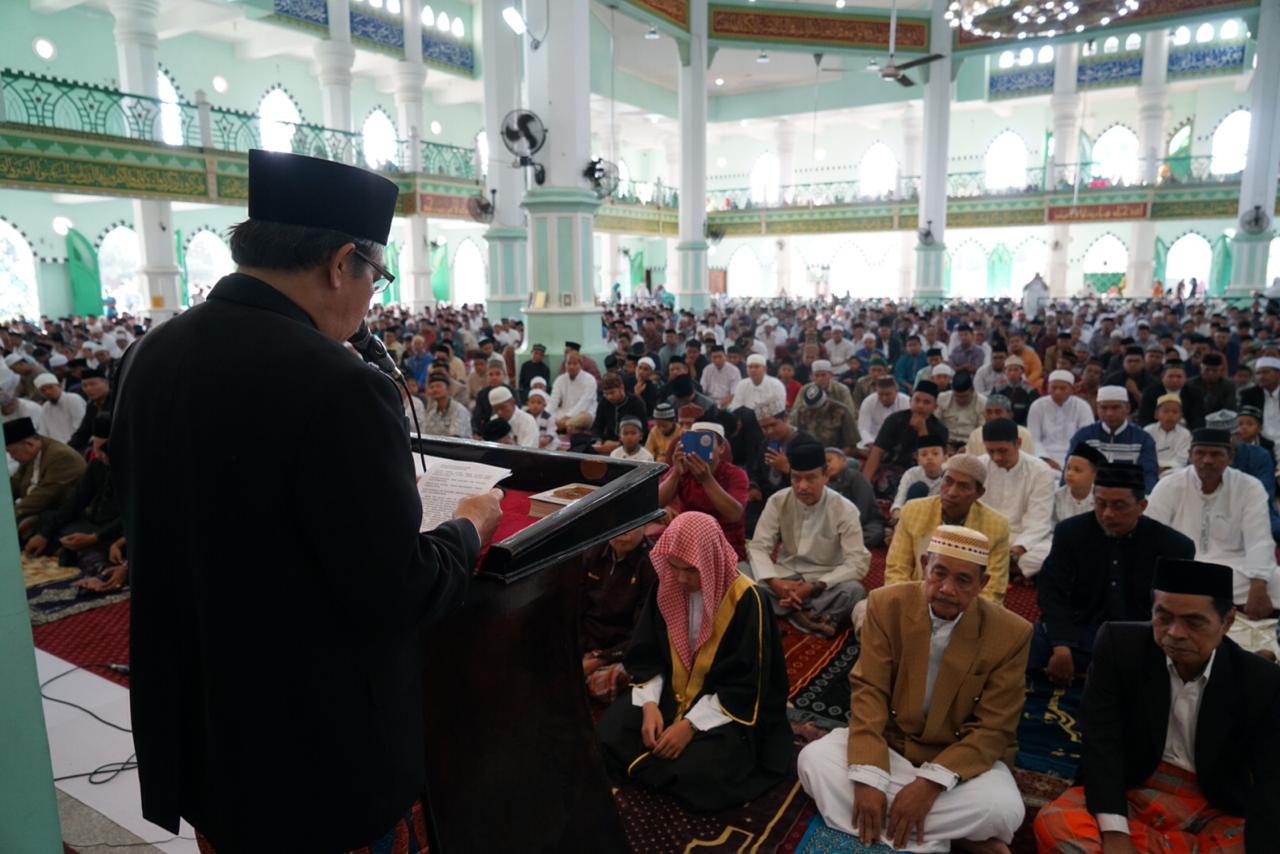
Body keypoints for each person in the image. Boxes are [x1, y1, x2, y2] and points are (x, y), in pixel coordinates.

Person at [109, 150, 503, 851]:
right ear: (341, 262)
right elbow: (398, 588)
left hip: (203, 737)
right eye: (376, 277)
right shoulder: (341, 385)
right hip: (314, 760)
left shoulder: (152, 353)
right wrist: (468, 527)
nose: (371, 299)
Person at [799, 526, 1030, 853]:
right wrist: (869, 776)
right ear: (924, 566)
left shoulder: (1011, 633)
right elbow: (869, 692)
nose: (947, 589)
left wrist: (929, 785)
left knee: (1002, 809)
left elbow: (994, 729)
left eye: (963, 580)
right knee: (813, 760)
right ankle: (954, 837)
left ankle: (881, 820)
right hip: (891, 747)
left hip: (956, 761)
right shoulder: (885, 604)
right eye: (939, 573)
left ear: (983, 584)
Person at [1034, 558, 1280, 852]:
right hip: (1133, 788)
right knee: (1054, 822)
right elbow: (1101, 742)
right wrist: (1115, 833)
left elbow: (1270, 777)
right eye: (1163, 618)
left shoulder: (1260, 679)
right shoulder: (1119, 645)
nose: (1175, 633)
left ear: (1227, 622)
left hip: (1211, 805)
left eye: (1193, 622)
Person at [595, 512, 792, 812]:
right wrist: (649, 705)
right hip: (668, 695)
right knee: (607, 734)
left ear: (711, 562)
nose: (681, 579)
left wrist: (690, 726)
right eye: (674, 567)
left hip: (723, 707)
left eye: (690, 570)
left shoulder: (748, 601)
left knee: (705, 772)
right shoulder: (666, 587)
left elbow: (746, 683)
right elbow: (648, 654)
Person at [1032, 463, 1195, 685]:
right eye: (1100, 504)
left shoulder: (1174, 546)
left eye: (1119, 506)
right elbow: (1052, 594)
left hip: (1142, 636)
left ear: (1142, 506)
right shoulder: (1070, 533)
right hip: (1080, 633)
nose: (1107, 514)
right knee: (1028, 644)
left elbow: (1176, 609)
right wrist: (1061, 646)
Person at [1144, 428, 1280, 657]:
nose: (1207, 460)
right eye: (1201, 453)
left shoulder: (1250, 487)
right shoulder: (1169, 484)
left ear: (1230, 457)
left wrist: (1258, 583)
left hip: (1235, 570)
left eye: (1216, 454)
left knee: (1275, 579)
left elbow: (1259, 540)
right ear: (1190, 455)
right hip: (1182, 569)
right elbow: (1152, 536)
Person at [748, 440, 871, 637]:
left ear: (826, 476)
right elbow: (758, 547)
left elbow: (857, 562)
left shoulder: (845, 509)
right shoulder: (778, 501)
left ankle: (779, 610)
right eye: (796, 478)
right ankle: (810, 615)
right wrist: (774, 583)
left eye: (811, 478)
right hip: (784, 577)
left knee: (853, 590)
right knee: (740, 571)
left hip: (822, 583)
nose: (802, 486)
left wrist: (815, 586)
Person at [882, 453, 1011, 606]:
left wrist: (958, 613)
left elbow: (993, 590)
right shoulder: (913, 510)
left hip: (966, 609)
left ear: (979, 493)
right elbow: (897, 570)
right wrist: (913, 607)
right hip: (915, 600)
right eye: (948, 481)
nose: (951, 492)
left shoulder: (997, 526)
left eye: (963, 486)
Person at [581, 523, 657, 704]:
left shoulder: (652, 563)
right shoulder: (592, 551)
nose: (623, 533)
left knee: (622, 676)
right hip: (587, 639)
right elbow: (576, 607)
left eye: (631, 525)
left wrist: (599, 660)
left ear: (645, 524)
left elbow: (643, 631)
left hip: (620, 650)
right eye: (617, 524)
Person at [656, 420, 749, 559]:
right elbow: (656, 504)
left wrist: (707, 480)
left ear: (721, 448)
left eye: (705, 442)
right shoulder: (683, 470)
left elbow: (734, 514)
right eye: (695, 441)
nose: (699, 448)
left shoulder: (735, 474)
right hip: (689, 540)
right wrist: (675, 474)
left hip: (724, 544)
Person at [977, 418, 1056, 580]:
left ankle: (992, 568)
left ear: (1018, 443)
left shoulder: (1040, 471)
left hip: (1023, 541)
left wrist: (1016, 552)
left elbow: (1039, 522)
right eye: (991, 451)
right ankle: (1011, 571)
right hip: (986, 539)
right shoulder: (979, 466)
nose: (996, 457)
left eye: (1002, 451)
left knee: (1049, 553)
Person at [862, 380, 948, 500]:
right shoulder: (894, 420)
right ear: (910, 401)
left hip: (924, 473)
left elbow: (931, 460)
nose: (920, 406)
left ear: (935, 407)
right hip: (892, 468)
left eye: (926, 402)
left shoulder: (940, 429)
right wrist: (864, 485)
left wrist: (922, 430)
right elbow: (877, 452)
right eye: (917, 400)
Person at [1068, 385, 1160, 493]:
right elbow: (1070, 471)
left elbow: (1149, 475)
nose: (1109, 413)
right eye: (1104, 408)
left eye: (1115, 408)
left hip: (1128, 498)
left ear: (1127, 408)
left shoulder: (1142, 439)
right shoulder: (1084, 436)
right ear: (1097, 408)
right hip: (1089, 496)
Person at [6, 416, 86, 538]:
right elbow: (13, 485)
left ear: (29, 444)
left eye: (12, 452)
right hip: (43, 513)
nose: (12, 457)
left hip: (66, 517)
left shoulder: (61, 456)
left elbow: (45, 495)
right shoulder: (30, 455)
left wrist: (9, 515)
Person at [1026, 370, 1095, 470]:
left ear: (1072, 389)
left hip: (1075, 457)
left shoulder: (1082, 406)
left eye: (1063, 388)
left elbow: (1087, 438)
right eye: (1054, 387)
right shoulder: (1037, 406)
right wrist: (1046, 460)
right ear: (1048, 388)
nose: (1057, 392)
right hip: (1044, 457)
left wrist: (1072, 461)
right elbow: (1034, 439)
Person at [824, 448, 886, 549]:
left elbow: (864, 505)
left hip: (864, 522)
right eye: (823, 463)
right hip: (836, 526)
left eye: (829, 460)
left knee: (875, 533)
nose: (826, 465)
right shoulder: (823, 483)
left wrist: (849, 527)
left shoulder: (856, 477)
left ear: (843, 461)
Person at [890, 434, 948, 521]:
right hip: (911, 517)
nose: (929, 458)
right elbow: (899, 502)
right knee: (919, 487)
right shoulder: (911, 474)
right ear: (917, 459)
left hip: (939, 519)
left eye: (935, 454)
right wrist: (898, 515)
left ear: (945, 457)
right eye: (924, 455)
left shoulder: (949, 475)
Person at [792, 384, 860, 456]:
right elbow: (795, 441)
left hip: (836, 456)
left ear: (825, 404)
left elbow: (851, 446)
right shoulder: (801, 412)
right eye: (810, 409)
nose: (813, 412)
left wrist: (832, 457)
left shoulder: (842, 411)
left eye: (816, 409)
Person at [1051, 442, 1106, 526]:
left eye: (1077, 470)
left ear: (1095, 475)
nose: (1069, 473)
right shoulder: (1057, 496)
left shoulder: (1100, 499)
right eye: (1068, 468)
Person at [591, 374, 648, 454]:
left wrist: (618, 444)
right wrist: (598, 441)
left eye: (612, 393)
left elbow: (642, 431)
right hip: (608, 442)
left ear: (622, 388)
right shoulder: (604, 402)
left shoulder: (636, 403)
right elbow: (598, 425)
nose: (609, 397)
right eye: (606, 394)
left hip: (631, 443)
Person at [964, 394, 1036, 457]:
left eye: (998, 412)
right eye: (989, 412)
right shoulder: (976, 435)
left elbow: (1027, 462)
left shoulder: (1024, 434)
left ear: (1010, 415)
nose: (993, 417)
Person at [857, 376, 910, 452]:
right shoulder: (868, 402)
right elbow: (863, 429)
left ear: (896, 391)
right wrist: (873, 446)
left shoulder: (906, 402)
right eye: (880, 394)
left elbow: (908, 430)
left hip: (899, 443)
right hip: (873, 442)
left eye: (887, 394)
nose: (884, 398)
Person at [549, 350, 599, 432]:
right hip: (563, 414)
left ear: (581, 365)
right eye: (569, 363)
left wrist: (568, 417)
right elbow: (553, 402)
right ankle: (561, 427)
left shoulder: (590, 379)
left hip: (582, 414)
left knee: (584, 418)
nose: (571, 366)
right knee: (545, 415)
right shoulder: (560, 380)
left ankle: (557, 427)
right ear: (565, 364)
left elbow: (584, 403)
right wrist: (544, 416)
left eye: (575, 363)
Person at [934, 372, 985, 449]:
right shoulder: (942, 398)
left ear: (972, 390)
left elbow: (980, 432)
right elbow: (935, 424)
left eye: (965, 396)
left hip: (971, 444)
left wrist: (968, 448)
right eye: (957, 396)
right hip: (946, 443)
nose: (961, 400)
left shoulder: (982, 402)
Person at [1144, 393, 1191, 475]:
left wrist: (1165, 469)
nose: (1170, 415)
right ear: (1156, 414)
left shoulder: (1185, 434)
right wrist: (1155, 467)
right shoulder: (1148, 431)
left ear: (1181, 416)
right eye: (1165, 411)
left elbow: (1182, 459)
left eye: (1175, 412)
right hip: (1150, 470)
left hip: (1175, 472)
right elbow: (1145, 455)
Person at [34, 372, 86, 445]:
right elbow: (43, 431)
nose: (47, 392)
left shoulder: (73, 399)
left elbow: (80, 426)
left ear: (59, 386)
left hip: (76, 444)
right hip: (56, 447)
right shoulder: (46, 406)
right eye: (43, 390)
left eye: (50, 387)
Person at [68, 366, 111, 453]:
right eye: (84, 386)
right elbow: (84, 431)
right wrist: (67, 449)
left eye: (92, 384)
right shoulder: (92, 405)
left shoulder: (117, 401)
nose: (88, 389)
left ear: (106, 383)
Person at [420, 371, 471, 438]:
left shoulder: (459, 410)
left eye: (438, 386)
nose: (435, 389)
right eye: (432, 387)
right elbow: (425, 435)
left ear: (448, 389)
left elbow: (456, 438)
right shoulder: (432, 413)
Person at [991, 355, 1038, 426]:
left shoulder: (1030, 389)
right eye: (1009, 370)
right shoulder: (998, 388)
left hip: (1023, 426)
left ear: (1022, 371)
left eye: (1016, 370)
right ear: (1004, 371)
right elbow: (992, 409)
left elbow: (1033, 414)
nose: (1012, 373)